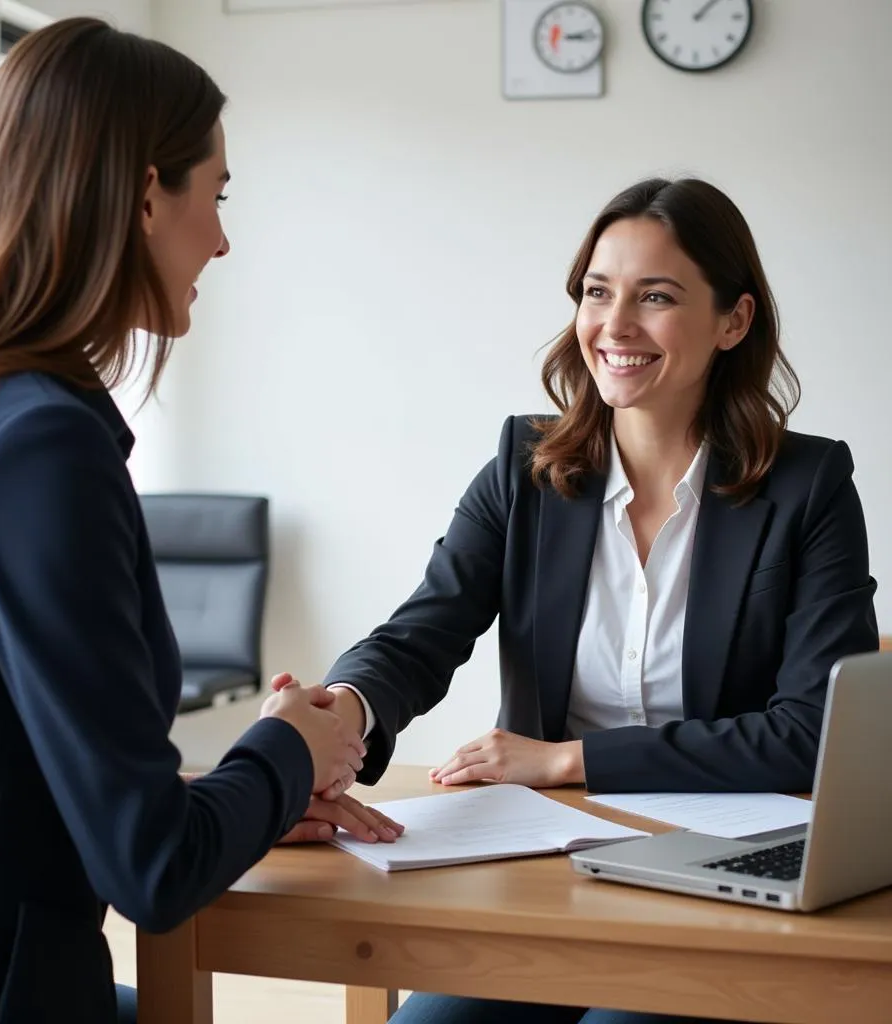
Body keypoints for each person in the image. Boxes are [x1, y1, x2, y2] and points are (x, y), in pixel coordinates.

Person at [0, 18, 402, 1024]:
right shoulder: (37, 447)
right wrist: (287, 748)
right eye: (217, 194)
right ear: (145, 193)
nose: (223, 237)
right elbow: (151, 869)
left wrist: (247, 792)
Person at [284, 177, 880, 1023]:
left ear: (734, 321)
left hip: (727, 879)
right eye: (598, 292)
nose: (616, 326)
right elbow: (423, 631)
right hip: (546, 870)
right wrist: (340, 714)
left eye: (658, 297)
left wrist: (568, 760)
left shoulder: (809, 486)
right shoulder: (523, 469)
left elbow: (808, 734)